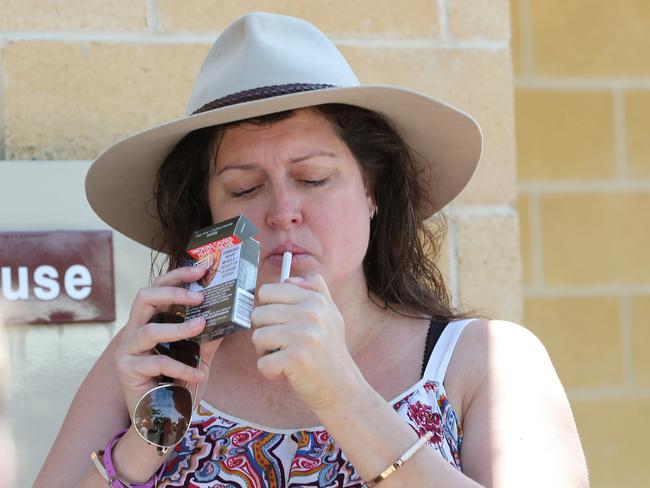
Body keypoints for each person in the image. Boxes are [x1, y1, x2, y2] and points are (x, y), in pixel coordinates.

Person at [35, 12, 588, 488]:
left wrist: (343, 394)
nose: (282, 211)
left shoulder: (483, 359)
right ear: (206, 216)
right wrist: (152, 433)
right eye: (244, 189)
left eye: (315, 178)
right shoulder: (151, 359)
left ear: (373, 191)